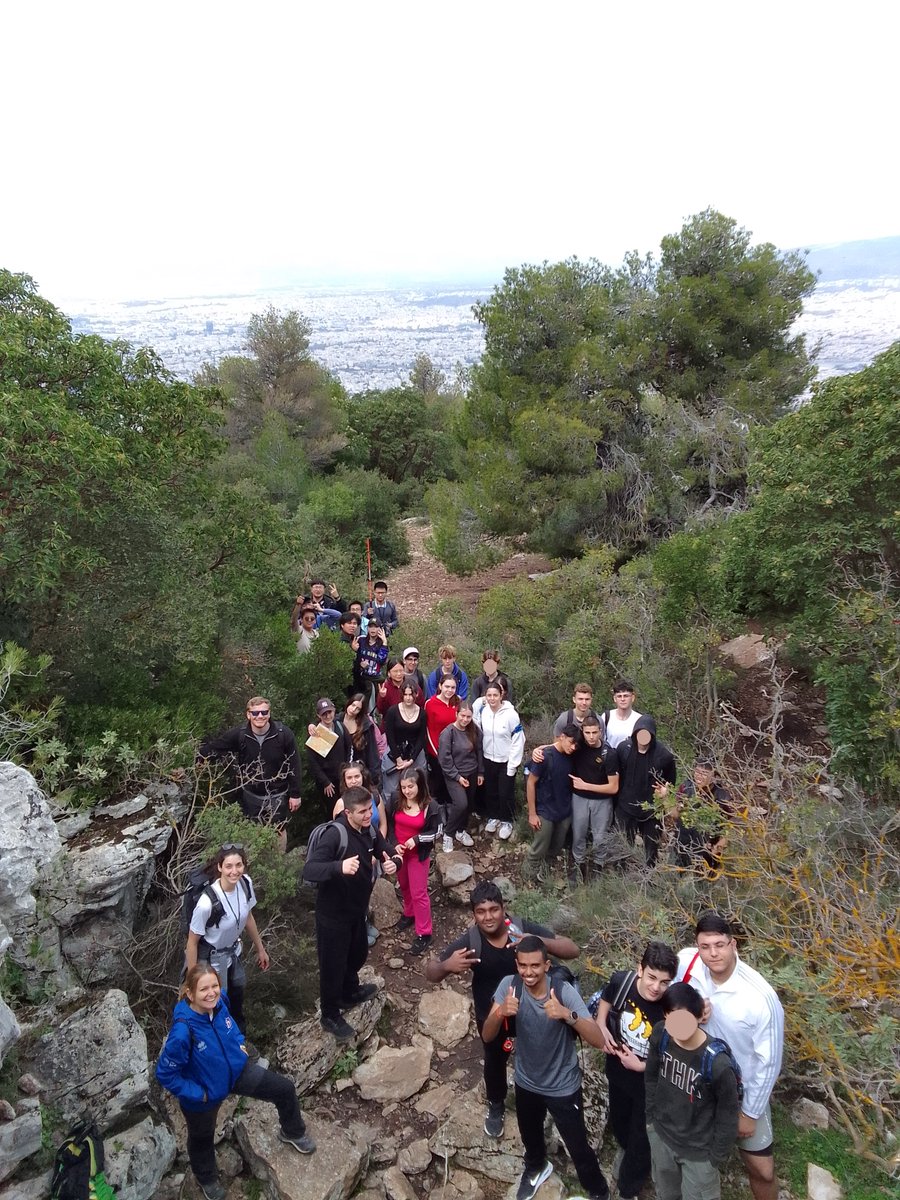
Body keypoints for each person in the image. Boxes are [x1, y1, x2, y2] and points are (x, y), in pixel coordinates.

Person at [424, 880, 580, 1141]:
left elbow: (571, 949)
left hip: (533, 1012)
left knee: (539, 1054)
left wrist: (534, 940)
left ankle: (543, 1098)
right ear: (473, 915)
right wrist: (446, 966)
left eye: (494, 909)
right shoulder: (472, 941)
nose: (488, 917)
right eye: (481, 912)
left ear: (503, 908)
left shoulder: (520, 929)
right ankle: (495, 1104)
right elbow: (430, 972)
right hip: (495, 1015)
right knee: (495, 1059)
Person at [156, 965, 315, 1200]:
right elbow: (165, 1074)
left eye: (214, 986)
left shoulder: (221, 1003)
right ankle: (206, 1178)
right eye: (204, 989)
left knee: (284, 1089)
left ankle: (292, 1132)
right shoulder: (183, 1032)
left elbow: (232, 1027)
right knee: (201, 1139)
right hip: (204, 1093)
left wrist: (240, 1047)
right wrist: (199, 1094)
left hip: (236, 1074)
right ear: (190, 993)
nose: (211, 993)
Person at [483, 936, 610, 1200]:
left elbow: (598, 1040)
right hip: (526, 1080)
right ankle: (536, 1167)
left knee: (577, 1145)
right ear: (517, 965)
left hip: (562, 1085)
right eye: (523, 966)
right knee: (531, 1137)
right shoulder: (509, 986)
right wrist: (500, 1013)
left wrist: (568, 1015)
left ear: (547, 965)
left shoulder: (563, 992)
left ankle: (598, 1190)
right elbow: (487, 1035)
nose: (528, 973)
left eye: (535, 966)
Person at [675, 913, 784, 1200]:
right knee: (689, 1154)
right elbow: (667, 999)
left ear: (733, 944)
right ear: (696, 946)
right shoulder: (687, 962)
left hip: (740, 1090)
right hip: (696, 1081)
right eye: (705, 946)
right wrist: (691, 1010)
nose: (713, 953)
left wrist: (750, 1113)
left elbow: (769, 1062)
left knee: (762, 1169)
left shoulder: (759, 998)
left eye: (720, 945)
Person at [302, 786, 401, 1041]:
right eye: (363, 812)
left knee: (357, 954)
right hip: (332, 915)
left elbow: (387, 848)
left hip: (357, 910)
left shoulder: (368, 830)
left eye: (370, 809)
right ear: (348, 812)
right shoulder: (335, 835)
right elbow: (310, 870)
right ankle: (330, 1014)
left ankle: (349, 992)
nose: (369, 815)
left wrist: (394, 862)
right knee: (332, 964)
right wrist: (339, 866)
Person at [593, 941, 678, 1200]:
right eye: (652, 977)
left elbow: (678, 1054)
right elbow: (605, 1002)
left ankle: (628, 1190)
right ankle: (625, 1148)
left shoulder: (672, 1004)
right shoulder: (622, 982)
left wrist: (641, 1065)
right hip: (617, 1070)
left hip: (649, 1084)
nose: (656, 987)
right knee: (620, 1120)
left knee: (642, 1138)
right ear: (640, 969)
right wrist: (601, 1027)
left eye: (664, 982)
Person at [644, 982, 741, 1200]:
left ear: (699, 1017)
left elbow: (728, 1112)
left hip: (699, 1153)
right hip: (662, 1136)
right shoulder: (662, 1034)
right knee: (665, 1195)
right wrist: (651, 1120)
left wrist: (715, 1157)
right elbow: (651, 1076)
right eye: (670, 1017)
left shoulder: (717, 1064)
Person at [184, 844, 269, 1034]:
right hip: (210, 961)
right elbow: (192, 941)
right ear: (220, 867)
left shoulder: (245, 884)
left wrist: (260, 948)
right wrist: (193, 978)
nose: (234, 871)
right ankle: (217, 1041)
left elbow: (248, 917)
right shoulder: (207, 903)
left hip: (233, 954)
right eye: (229, 866)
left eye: (238, 865)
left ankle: (239, 1039)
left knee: (236, 998)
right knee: (214, 1004)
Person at [198, 699, 301, 847]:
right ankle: (256, 863)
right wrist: (198, 758)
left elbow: (294, 764)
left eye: (264, 712)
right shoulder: (240, 734)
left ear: (269, 713)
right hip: (251, 795)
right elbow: (217, 747)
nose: (260, 716)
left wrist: (295, 794)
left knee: (279, 830)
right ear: (248, 715)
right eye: (255, 713)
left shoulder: (283, 734)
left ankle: (278, 864)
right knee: (253, 831)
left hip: (277, 793)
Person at [389, 767, 442, 955]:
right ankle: (409, 913)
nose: (407, 791)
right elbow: (389, 824)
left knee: (419, 892)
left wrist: (417, 839)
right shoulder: (395, 800)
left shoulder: (430, 806)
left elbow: (437, 831)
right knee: (404, 885)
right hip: (400, 852)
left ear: (419, 785)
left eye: (410, 787)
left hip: (418, 854)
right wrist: (394, 844)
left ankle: (424, 933)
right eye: (403, 787)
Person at [616, 715, 676, 868]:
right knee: (622, 845)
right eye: (639, 733)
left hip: (651, 810)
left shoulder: (664, 756)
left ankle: (648, 878)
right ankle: (620, 874)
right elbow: (616, 774)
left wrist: (666, 792)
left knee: (651, 848)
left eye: (647, 734)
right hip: (626, 807)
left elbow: (670, 782)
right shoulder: (624, 749)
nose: (643, 738)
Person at [523, 725, 579, 878]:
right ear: (562, 737)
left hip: (564, 810)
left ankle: (545, 873)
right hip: (544, 809)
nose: (573, 747)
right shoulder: (544, 756)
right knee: (540, 845)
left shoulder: (573, 755)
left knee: (556, 846)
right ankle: (528, 877)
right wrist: (532, 814)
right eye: (571, 742)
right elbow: (531, 782)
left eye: (576, 744)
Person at [474, 681, 525, 840]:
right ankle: (493, 817)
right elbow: (475, 722)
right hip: (488, 758)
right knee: (491, 791)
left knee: (505, 792)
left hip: (505, 760)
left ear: (501, 695)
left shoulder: (510, 714)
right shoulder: (484, 711)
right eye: (489, 695)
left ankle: (506, 821)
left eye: (495, 695)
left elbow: (518, 739)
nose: (492, 698)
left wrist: (513, 764)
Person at [672, 757, 733, 874]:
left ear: (714, 776)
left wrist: (721, 844)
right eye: (697, 772)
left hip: (707, 848)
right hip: (682, 842)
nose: (699, 776)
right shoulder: (686, 787)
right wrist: (665, 799)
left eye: (704, 773)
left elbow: (732, 822)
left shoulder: (722, 795)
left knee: (702, 882)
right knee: (676, 877)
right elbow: (675, 815)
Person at [438, 702, 484, 852]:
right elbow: (444, 759)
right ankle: (448, 834)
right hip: (454, 775)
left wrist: (480, 772)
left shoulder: (474, 730)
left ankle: (460, 830)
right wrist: (457, 777)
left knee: (469, 805)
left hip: (472, 771)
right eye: (462, 716)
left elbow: (479, 751)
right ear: (456, 714)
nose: (465, 719)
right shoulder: (448, 733)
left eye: (468, 717)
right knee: (461, 803)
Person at [383, 678, 428, 803]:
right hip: (394, 752)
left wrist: (412, 759)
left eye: (411, 694)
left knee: (418, 785)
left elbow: (421, 737)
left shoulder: (422, 713)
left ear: (416, 695)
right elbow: (390, 735)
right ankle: (390, 817)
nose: (408, 698)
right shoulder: (392, 711)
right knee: (391, 790)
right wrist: (398, 759)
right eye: (406, 694)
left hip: (415, 753)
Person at [306, 697, 351, 814]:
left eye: (329, 712)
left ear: (334, 711)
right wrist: (325, 782)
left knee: (349, 808)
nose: (327, 716)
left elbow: (349, 749)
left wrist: (347, 773)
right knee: (333, 811)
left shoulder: (340, 727)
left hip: (343, 777)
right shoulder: (316, 732)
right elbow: (313, 761)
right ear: (318, 715)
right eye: (324, 714)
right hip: (327, 782)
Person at [424, 674, 460, 804]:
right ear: (440, 686)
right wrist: (437, 753)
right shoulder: (430, 704)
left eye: (453, 687)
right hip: (436, 752)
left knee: (452, 785)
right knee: (437, 784)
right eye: (447, 686)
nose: (450, 690)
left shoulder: (458, 702)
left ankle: (452, 813)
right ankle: (437, 815)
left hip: (455, 752)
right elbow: (428, 729)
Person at [342, 693, 382, 786]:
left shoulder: (366, 726)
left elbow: (372, 753)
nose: (353, 710)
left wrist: (374, 776)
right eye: (353, 705)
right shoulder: (337, 721)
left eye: (358, 708)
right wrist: (312, 726)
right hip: (343, 773)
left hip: (361, 773)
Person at [353, 620, 390, 700]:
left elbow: (381, 661)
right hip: (361, 676)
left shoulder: (382, 644)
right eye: (370, 627)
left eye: (376, 627)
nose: (373, 629)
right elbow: (354, 656)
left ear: (380, 629)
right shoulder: (361, 640)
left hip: (375, 678)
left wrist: (384, 643)